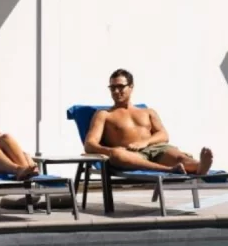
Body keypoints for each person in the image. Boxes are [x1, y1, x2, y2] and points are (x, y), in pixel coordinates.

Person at [83, 69, 213, 175]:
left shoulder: (148, 112)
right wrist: (110, 150)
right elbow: (89, 144)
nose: (116, 91)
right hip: (131, 154)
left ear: (131, 87)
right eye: (112, 88)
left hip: (156, 149)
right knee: (117, 155)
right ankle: (169, 170)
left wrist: (145, 142)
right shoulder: (104, 114)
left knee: (180, 157)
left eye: (121, 87)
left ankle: (200, 167)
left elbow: (163, 135)